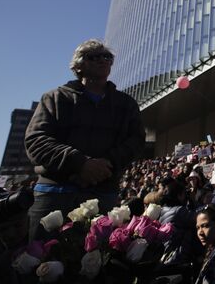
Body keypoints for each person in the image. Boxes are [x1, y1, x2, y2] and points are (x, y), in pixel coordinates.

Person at [25, 39, 145, 240]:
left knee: (97, 259)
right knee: (39, 260)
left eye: (107, 56)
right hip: (55, 193)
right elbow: (36, 140)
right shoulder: (55, 98)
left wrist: (106, 164)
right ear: (78, 66)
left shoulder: (126, 104)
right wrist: (81, 164)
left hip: (103, 193)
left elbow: (136, 141)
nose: (102, 60)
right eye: (94, 56)